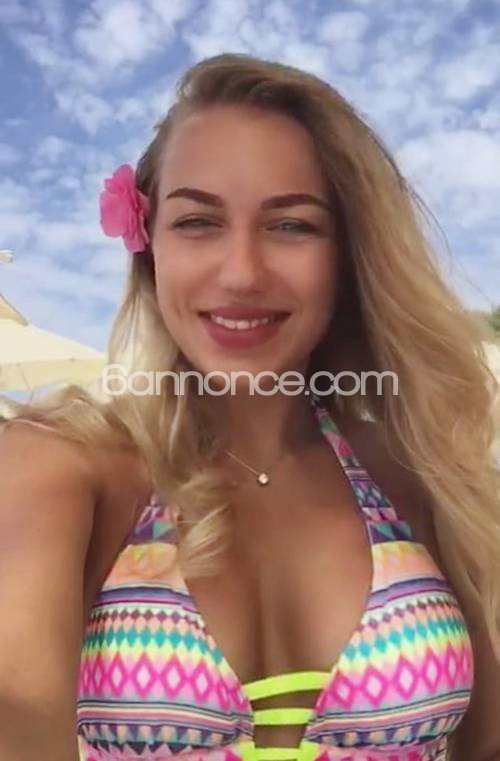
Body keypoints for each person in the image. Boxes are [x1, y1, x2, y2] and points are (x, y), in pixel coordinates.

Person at [0, 53, 499, 761]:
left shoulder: (421, 475)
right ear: (149, 248)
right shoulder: (60, 470)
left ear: (349, 254)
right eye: (198, 221)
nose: (241, 273)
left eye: (291, 225)